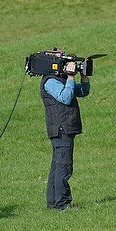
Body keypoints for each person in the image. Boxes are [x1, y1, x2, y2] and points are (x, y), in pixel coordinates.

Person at [41, 52, 91, 210]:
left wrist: (83, 77)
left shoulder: (60, 79)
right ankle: (62, 204)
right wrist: (70, 77)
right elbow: (66, 97)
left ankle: (54, 203)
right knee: (64, 166)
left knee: (57, 165)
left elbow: (82, 92)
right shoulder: (50, 81)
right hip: (61, 128)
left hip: (63, 127)